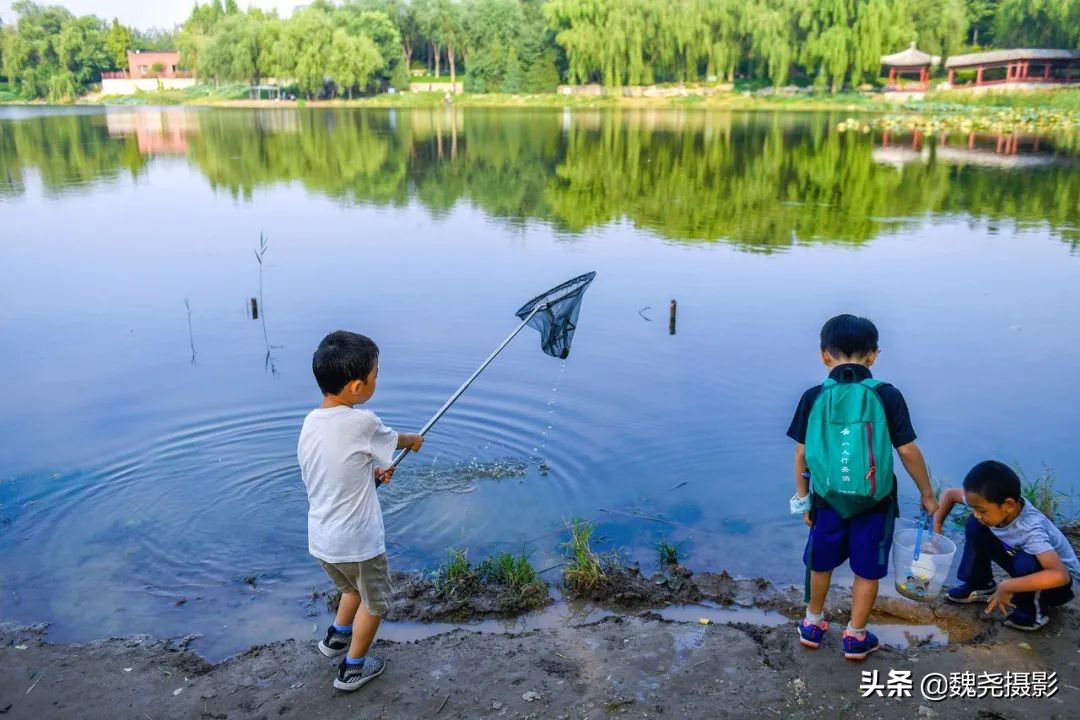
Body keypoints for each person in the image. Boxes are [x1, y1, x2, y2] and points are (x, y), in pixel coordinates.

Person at [787, 314, 938, 660]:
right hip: (875, 500)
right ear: (873, 355)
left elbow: (801, 454)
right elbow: (908, 451)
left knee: (820, 562)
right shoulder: (887, 395)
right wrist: (928, 495)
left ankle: (812, 623)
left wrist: (803, 499)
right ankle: (855, 636)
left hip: (826, 499)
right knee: (867, 568)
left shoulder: (813, 396)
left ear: (825, 354)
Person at [298, 331, 423, 691]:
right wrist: (413, 440)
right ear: (356, 387)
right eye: (375, 376)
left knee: (350, 589)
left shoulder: (310, 423)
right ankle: (353, 668)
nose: (376, 380)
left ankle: (336, 638)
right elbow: (396, 439)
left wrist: (369, 475)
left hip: (322, 541)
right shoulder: (362, 421)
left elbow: (335, 469)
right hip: (359, 543)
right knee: (375, 601)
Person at [935, 460, 1078, 631]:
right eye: (975, 508)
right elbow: (949, 495)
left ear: (1008, 505)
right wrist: (936, 531)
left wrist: (1007, 586)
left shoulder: (1031, 529)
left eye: (982, 511)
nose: (977, 514)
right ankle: (980, 584)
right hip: (1025, 564)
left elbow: (1059, 575)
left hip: (1056, 587)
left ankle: (1031, 613)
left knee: (1027, 559)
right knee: (975, 524)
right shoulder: (989, 502)